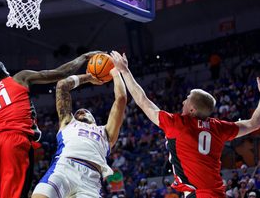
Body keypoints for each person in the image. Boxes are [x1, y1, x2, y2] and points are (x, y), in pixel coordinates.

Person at [110, 51, 260, 198]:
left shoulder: (178, 124)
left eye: (187, 100)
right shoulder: (219, 127)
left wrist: (125, 71)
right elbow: (254, 123)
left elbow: (143, 101)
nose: (183, 102)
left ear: (193, 110)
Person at [0, 51, 99, 198]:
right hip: (14, 141)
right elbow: (62, 72)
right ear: (1, 72)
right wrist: (84, 57)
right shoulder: (19, 78)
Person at [32, 68, 127, 198]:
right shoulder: (68, 122)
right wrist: (88, 77)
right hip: (63, 167)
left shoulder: (105, 131)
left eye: (86, 111)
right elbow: (62, 86)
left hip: (91, 179)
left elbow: (121, 99)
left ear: (94, 120)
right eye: (78, 112)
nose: (81, 112)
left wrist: (115, 72)